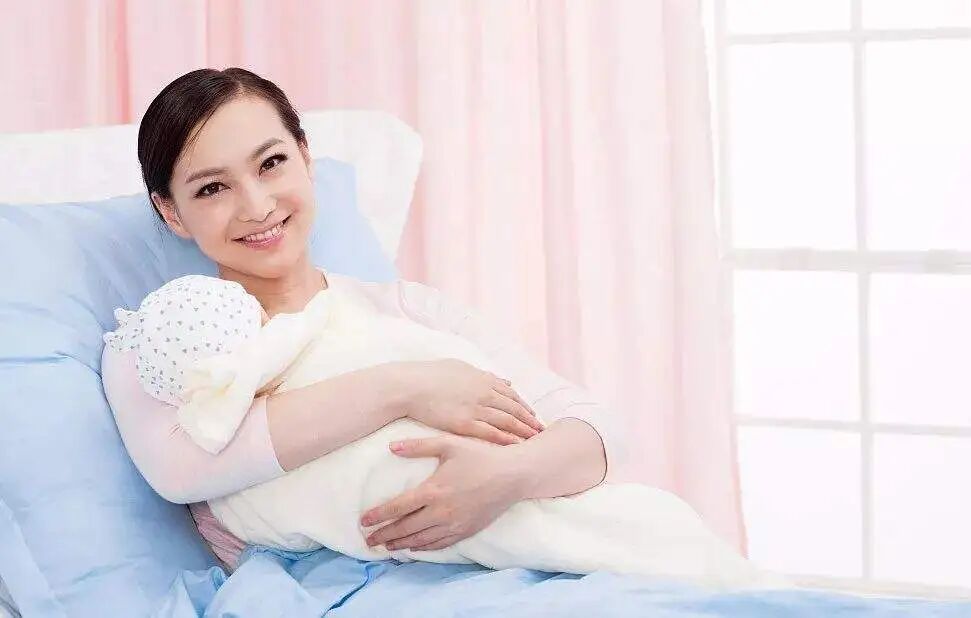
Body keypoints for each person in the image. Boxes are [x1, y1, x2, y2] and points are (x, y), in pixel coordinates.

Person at [101, 67, 628, 572]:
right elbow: (182, 468)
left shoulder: (411, 310)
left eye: (271, 163)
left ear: (305, 158)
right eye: (213, 188)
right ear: (171, 212)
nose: (257, 206)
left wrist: (504, 478)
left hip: (513, 564)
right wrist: (406, 388)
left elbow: (596, 431)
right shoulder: (162, 344)